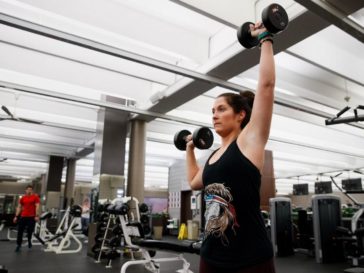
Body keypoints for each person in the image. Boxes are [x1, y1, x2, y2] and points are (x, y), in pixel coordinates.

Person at [186, 21, 276, 273]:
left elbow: (266, 86)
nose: (214, 115)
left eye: (221, 109)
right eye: (212, 111)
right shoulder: (214, 155)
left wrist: (265, 38)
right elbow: (194, 180)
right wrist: (189, 149)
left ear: (240, 115)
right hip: (211, 256)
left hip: (249, 259)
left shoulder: (249, 142)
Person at [13, 184, 40, 252]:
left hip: (31, 217)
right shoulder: (23, 198)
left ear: (32, 190)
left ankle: (29, 240)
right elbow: (19, 207)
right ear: (25, 190)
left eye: (30, 189)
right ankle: (18, 245)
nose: (29, 191)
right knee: (20, 231)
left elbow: (37, 206)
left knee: (30, 231)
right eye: (28, 189)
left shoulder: (35, 197)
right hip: (23, 217)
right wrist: (16, 216)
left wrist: (36, 215)